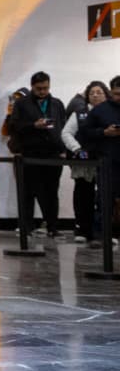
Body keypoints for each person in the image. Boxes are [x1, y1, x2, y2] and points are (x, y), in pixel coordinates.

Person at [9, 71, 68, 238]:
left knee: (51, 192)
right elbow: (14, 126)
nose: (42, 92)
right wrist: (33, 125)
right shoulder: (21, 103)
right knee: (28, 191)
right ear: (32, 87)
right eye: (39, 88)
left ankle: (52, 227)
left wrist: (63, 149)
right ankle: (27, 227)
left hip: (53, 153)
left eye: (46, 88)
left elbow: (63, 126)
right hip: (30, 153)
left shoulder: (57, 104)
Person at [62, 80, 108, 245]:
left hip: (106, 159)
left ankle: (105, 231)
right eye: (92, 93)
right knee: (83, 194)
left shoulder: (112, 112)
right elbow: (66, 133)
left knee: (106, 196)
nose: (95, 95)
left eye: (99, 92)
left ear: (106, 95)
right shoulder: (80, 114)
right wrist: (77, 149)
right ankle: (82, 229)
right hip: (84, 160)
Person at [79, 75, 120, 248]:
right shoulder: (99, 110)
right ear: (111, 92)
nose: (119, 98)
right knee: (105, 200)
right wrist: (104, 132)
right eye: (117, 94)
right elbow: (84, 133)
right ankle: (102, 235)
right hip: (108, 162)